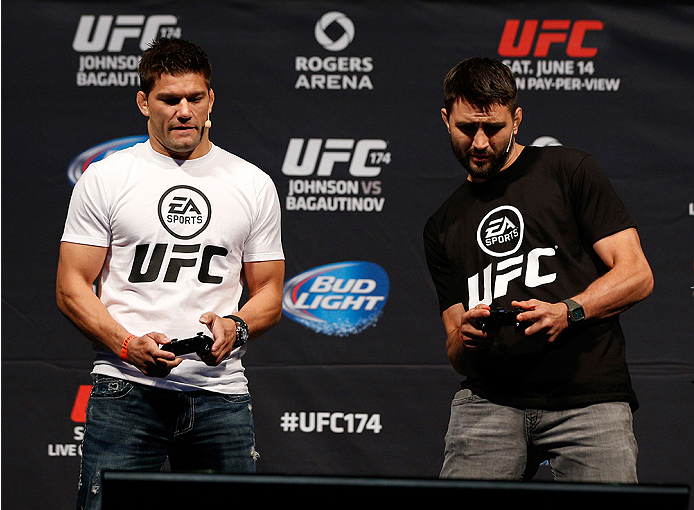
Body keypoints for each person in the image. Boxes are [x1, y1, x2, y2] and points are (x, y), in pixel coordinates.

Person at [56, 38, 285, 509]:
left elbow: (270, 293)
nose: (184, 111)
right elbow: (71, 287)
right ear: (144, 102)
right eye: (168, 99)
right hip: (127, 391)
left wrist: (236, 326)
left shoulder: (252, 183)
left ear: (210, 100)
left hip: (219, 394)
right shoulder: (106, 177)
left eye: (194, 98)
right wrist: (125, 345)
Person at [423, 57, 653, 483]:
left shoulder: (569, 171)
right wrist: (466, 336)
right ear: (445, 119)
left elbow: (637, 274)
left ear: (517, 119)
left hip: (588, 400)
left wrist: (568, 311)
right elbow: (456, 352)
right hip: (488, 403)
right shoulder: (443, 224)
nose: (478, 142)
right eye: (465, 128)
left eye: (492, 128)